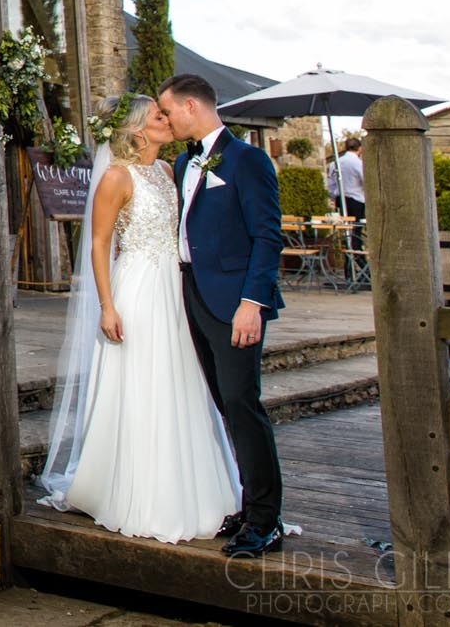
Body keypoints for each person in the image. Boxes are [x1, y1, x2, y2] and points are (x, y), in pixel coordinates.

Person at [38, 94, 240, 543]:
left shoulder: (169, 171)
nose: (166, 121)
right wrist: (108, 305)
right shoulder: (116, 177)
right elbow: (98, 244)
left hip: (174, 287)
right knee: (144, 380)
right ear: (135, 129)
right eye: (157, 116)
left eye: (165, 114)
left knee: (181, 379)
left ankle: (193, 487)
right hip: (138, 288)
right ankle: (139, 490)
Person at [159, 73, 286, 558]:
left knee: (242, 404)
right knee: (221, 403)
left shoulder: (246, 160)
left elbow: (268, 236)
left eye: (168, 112)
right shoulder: (183, 161)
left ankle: (265, 521)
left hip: (234, 303)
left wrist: (252, 304)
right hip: (191, 295)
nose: (166, 121)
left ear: (191, 106)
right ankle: (249, 502)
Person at [329, 136, 367, 251]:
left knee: (345, 232)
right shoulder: (358, 163)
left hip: (340, 199)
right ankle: (358, 261)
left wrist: (333, 196)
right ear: (359, 149)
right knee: (355, 232)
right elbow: (365, 181)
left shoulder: (335, 163)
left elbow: (330, 184)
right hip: (356, 199)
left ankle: (349, 266)